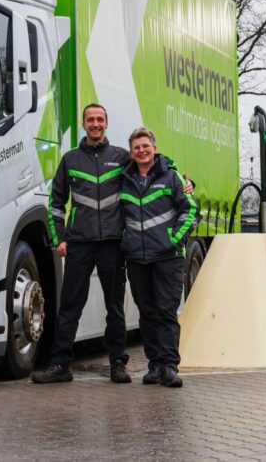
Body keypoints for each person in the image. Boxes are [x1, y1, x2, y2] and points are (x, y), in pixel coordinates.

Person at [31, 105, 193, 385]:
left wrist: (186, 180)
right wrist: (60, 238)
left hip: (113, 245)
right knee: (70, 305)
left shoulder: (121, 157)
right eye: (90, 119)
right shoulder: (70, 160)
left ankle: (118, 364)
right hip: (80, 244)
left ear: (106, 123)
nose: (95, 124)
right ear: (83, 124)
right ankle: (60, 364)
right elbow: (56, 202)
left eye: (100, 119)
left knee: (115, 307)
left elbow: (155, 165)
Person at [120, 126, 198, 389]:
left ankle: (169, 366)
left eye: (146, 146)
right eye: (137, 147)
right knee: (147, 313)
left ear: (154, 147)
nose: (142, 150)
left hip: (167, 257)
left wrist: (173, 240)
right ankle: (154, 366)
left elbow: (190, 211)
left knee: (166, 312)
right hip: (137, 259)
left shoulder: (172, 177)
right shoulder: (124, 180)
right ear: (131, 152)